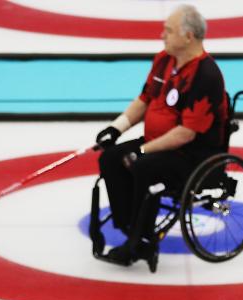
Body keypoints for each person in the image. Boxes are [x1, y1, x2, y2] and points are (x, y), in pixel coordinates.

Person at [93, 4, 228, 267]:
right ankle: (130, 225)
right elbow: (144, 100)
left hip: (191, 154)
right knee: (110, 158)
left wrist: (142, 151)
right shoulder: (163, 60)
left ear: (188, 37)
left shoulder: (206, 75)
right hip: (159, 142)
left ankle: (140, 243)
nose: (162, 36)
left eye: (168, 31)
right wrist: (116, 128)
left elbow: (185, 134)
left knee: (141, 166)